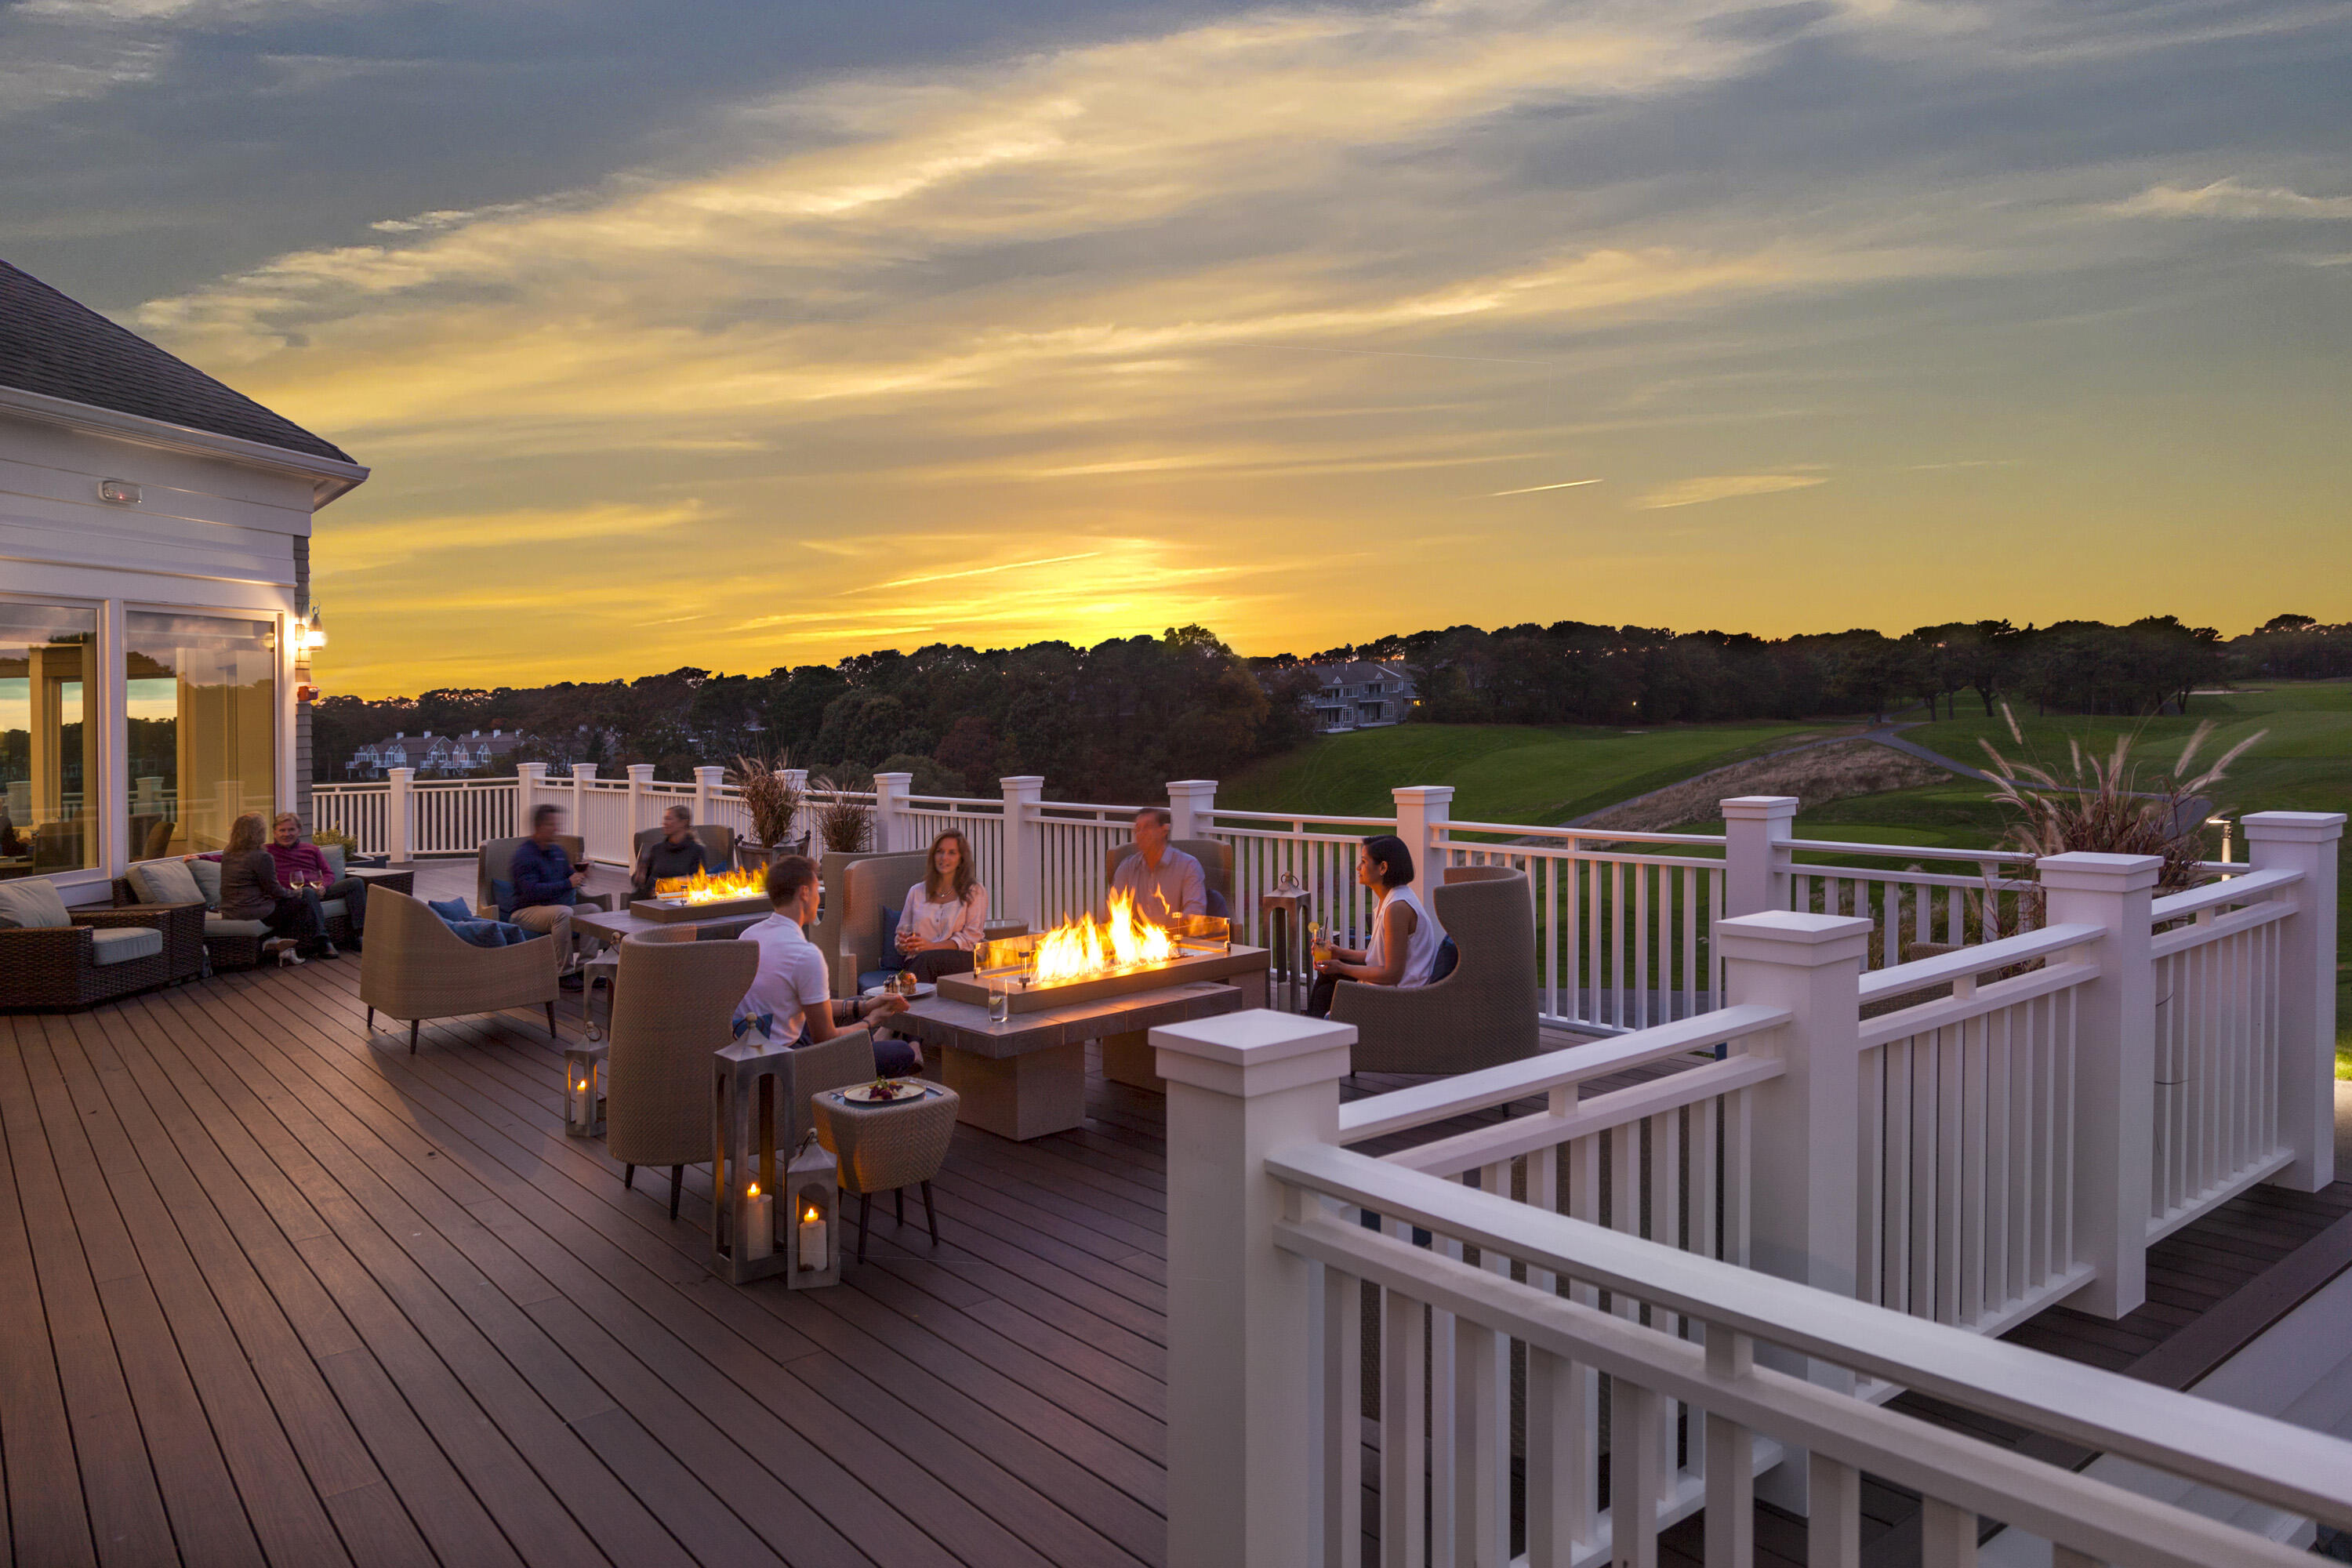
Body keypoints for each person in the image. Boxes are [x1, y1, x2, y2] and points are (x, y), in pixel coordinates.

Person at [739, 855, 919, 1074]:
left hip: (757, 1046)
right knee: (902, 1052)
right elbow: (825, 1039)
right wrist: (872, 1020)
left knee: (855, 1002)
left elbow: (801, 1002)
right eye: (817, 889)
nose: (818, 898)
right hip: (792, 1061)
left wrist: (865, 1006)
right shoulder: (805, 954)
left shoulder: (749, 935)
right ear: (804, 893)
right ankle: (853, 1101)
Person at [1307, 833, 1446, 1019]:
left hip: (1402, 996)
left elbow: (1391, 974)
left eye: (1364, 862)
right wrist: (1339, 952)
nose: (1358, 867)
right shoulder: (1392, 899)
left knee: (1328, 984)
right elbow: (1380, 956)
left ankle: (1321, 1032)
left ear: (1383, 868)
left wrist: (1340, 966)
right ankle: (1320, 1032)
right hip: (1393, 987)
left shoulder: (1397, 908)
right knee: (1326, 982)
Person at [218, 811, 333, 962]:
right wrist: (295, 894)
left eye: (291, 830)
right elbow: (273, 889)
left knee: (296, 901)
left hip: (229, 911)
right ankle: (285, 945)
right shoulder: (262, 855)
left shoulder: (229, 852)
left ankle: (282, 942)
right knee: (301, 902)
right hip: (254, 911)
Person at [509, 803, 593, 986]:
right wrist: (567, 883)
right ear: (539, 827)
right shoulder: (525, 855)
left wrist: (579, 876)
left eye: (557, 824)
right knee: (563, 913)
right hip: (526, 912)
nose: (557, 829)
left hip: (555, 909)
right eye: (552, 825)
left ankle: (586, 969)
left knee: (593, 911)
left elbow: (568, 877)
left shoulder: (557, 851)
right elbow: (530, 891)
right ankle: (564, 973)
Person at [894, 829, 989, 982]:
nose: (944, 857)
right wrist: (903, 943)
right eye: (940, 851)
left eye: (952, 853)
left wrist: (930, 946)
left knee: (927, 960)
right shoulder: (916, 892)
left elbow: (971, 938)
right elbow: (902, 933)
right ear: (933, 856)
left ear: (961, 859)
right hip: (920, 960)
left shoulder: (974, 891)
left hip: (960, 960)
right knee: (923, 960)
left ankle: (904, 998)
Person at [266, 812, 368, 951]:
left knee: (355, 882)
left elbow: (328, 873)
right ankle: (323, 941)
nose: (286, 834)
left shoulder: (311, 849)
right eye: (282, 830)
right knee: (308, 892)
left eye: (291, 830)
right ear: (275, 832)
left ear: (299, 831)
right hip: (294, 896)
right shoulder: (266, 852)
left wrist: (323, 886)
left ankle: (359, 935)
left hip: (317, 890)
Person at [1109, 807, 1204, 926]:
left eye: (1147, 827)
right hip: (1138, 942)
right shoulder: (1127, 868)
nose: (1140, 834)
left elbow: (1195, 915)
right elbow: (1112, 911)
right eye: (1138, 829)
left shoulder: (1188, 866)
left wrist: (1157, 928)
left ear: (1164, 830)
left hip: (1179, 940)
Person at [630, 805, 716, 900]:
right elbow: (640, 882)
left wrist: (665, 886)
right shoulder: (656, 849)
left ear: (683, 822)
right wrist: (638, 876)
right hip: (650, 902)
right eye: (664, 819)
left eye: (669, 819)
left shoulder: (696, 851)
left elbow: (697, 882)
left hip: (679, 903)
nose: (664, 823)